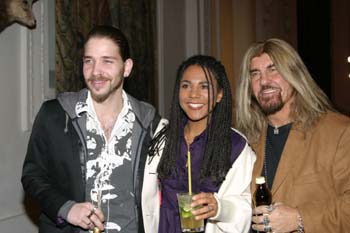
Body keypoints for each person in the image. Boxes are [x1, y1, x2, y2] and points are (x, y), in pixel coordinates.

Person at [21, 25, 162, 233]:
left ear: (127, 67)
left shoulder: (150, 124)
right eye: (89, 61)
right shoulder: (55, 115)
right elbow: (33, 176)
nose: (96, 72)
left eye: (107, 61)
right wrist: (66, 209)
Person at [235, 38, 350, 232]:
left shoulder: (338, 131)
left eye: (273, 69)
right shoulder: (246, 141)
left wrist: (300, 218)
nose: (264, 81)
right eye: (256, 74)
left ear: (294, 74)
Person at [142, 55, 256, 233]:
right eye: (186, 86)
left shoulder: (235, 147)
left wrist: (219, 208)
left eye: (204, 87)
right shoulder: (161, 138)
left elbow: (247, 207)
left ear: (219, 94)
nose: (193, 94)